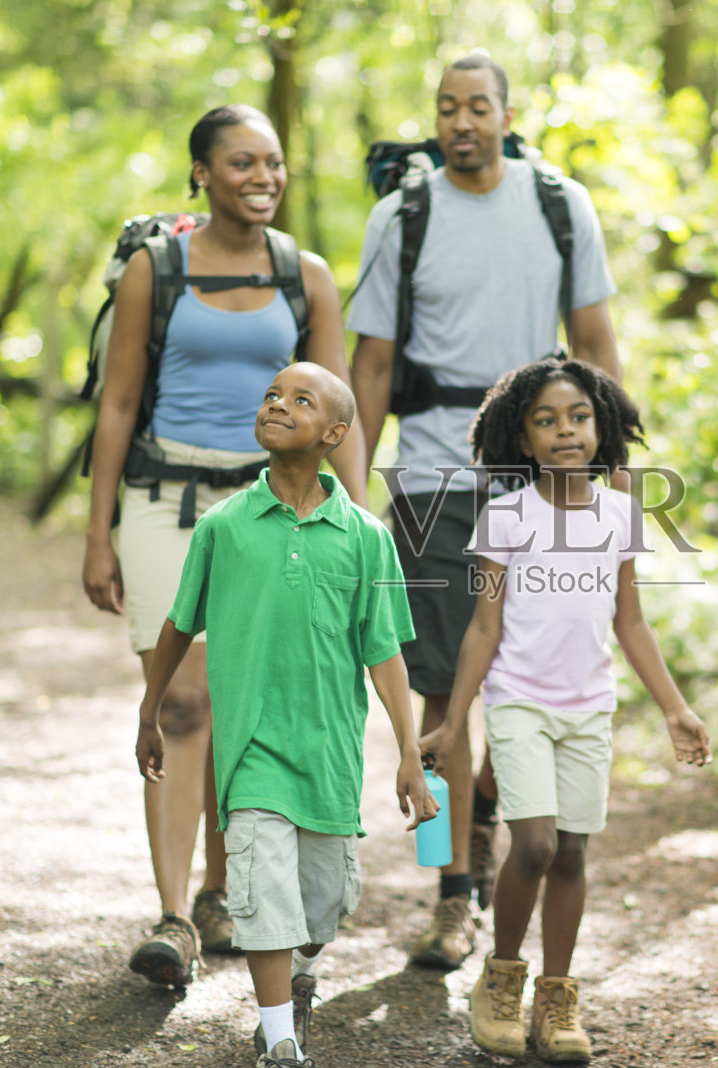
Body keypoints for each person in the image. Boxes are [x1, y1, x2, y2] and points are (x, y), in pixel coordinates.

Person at [348, 52, 624, 971]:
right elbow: (374, 366)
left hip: (539, 479)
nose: (462, 121)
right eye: (446, 108)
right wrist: (355, 490)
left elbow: (593, 345)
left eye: (478, 106)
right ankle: (447, 889)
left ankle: (484, 832)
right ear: (434, 121)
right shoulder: (402, 217)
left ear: (507, 115)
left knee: (526, 677)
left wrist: (611, 470)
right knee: (438, 692)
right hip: (428, 478)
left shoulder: (560, 204)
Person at [82, 103, 368, 987]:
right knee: (184, 701)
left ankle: (221, 893)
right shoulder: (153, 269)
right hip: (163, 502)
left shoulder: (305, 275)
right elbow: (119, 403)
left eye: (274, 163)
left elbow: (340, 411)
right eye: (242, 163)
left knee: (253, 702)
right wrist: (98, 534)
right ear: (201, 173)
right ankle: (173, 915)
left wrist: (354, 527)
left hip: (268, 512)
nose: (264, 178)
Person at [135, 362, 435, 1068]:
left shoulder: (368, 537)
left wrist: (410, 749)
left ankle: (301, 978)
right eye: (272, 395)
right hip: (252, 753)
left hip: (329, 754)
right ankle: (280, 1042)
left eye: (300, 399)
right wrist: (150, 709)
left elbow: (385, 652)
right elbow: (179, 624)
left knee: (319, 905)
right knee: (263, 894)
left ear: (335, 433)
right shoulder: (224, 526)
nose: (277, 404)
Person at [423, 357, 712, 1063]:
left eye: (578, 417)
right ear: (521, 439)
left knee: (574, 853)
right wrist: (455, 720)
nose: (565, 431)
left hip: (590, 708)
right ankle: (500, 983)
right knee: (537, 845)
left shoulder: (620, 513)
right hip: (519, 703)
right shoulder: (508, 515)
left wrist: (675, 708)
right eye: (546, 421)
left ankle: (556, 998)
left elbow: (631, 623)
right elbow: (484, 629)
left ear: (601, 425)